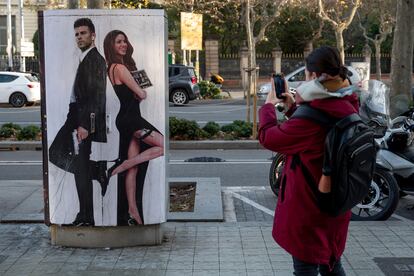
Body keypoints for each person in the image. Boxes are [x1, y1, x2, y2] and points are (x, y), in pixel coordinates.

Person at [258, 46, 359, 275]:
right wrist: (294, 108)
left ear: (313, 76)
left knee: (306, 266)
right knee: (330, 261)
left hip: (310, 205)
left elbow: (269, 137)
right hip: (336, 201)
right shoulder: (349, 101)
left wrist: (267, 107)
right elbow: (320, 135)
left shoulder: (313, 116)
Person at [48, 18, 107, 226]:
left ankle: (86, 217)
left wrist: (85, 125)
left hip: (83, 120)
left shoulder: (95, 60)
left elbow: (97, 96)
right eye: (77, 34)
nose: (79, 37)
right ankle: (97, 170)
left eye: (83, 33)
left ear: (93, 35)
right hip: (75, 116)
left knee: (77, 164)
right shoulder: (85, 58)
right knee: (58, 154)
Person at [103, 30, 164, 226]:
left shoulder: (111, 68)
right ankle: (118, 167)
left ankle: (133, 212)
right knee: (163, 145)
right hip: (131, 119)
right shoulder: (120, 67)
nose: (123, 44)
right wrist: (141, 91)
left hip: (127, 117)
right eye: (118, 42)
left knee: (134, 168)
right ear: (111, 46)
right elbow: (141, 94)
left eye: (124, 41)